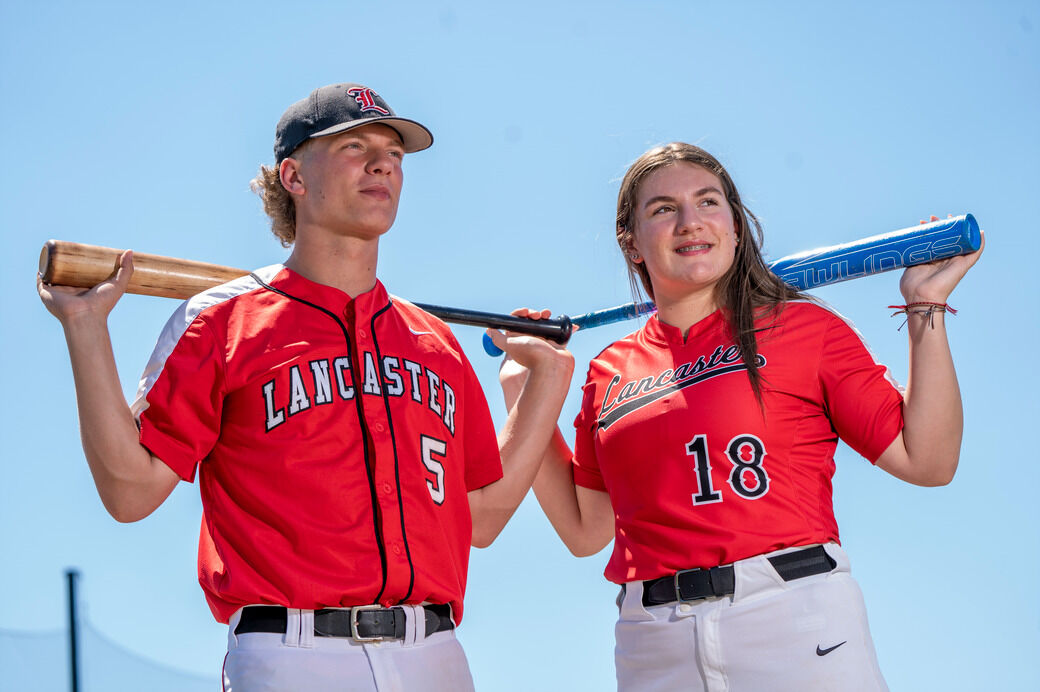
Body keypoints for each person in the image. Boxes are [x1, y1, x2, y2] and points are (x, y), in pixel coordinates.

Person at [38, 83, 573, 691]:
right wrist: (86, 331)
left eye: (394, 154)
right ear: (293, 176)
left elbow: (479, 519)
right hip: (293, 655)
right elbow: (129, 493)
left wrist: (547, 385)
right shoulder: (222, 321)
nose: (383, 164)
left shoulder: (434, 342)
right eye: (354, 145)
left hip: (436, 654)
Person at [494, 142, 982, 691]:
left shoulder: (805, 330)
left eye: (708, 202)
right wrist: (527, 391)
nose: (689, 222)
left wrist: (925, 305)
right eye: (662, 209)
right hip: (654, 639)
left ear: (734, 224)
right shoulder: (611, 369)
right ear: (631, 243)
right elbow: (586, 531)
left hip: (794, 618)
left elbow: (930, 460)